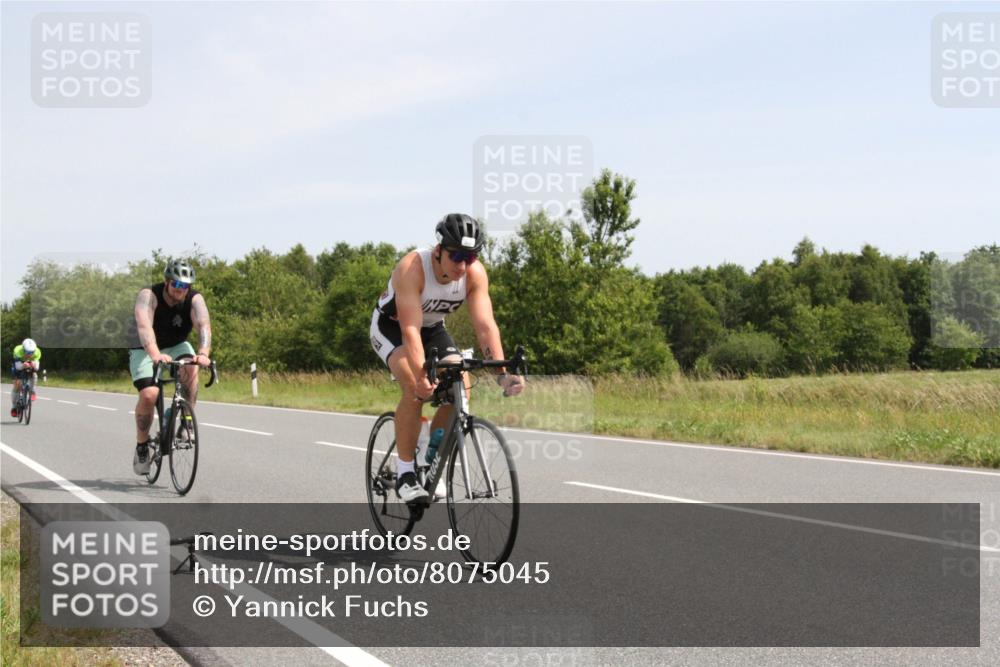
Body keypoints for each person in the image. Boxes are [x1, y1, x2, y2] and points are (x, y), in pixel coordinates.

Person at [370, 213, 525, 502]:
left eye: (471, 257)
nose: (463, 265)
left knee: (460, 390)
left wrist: (502, 373)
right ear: (439, 250)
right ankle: (405, 473)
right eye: (456, 256)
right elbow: (411, 330)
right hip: (393, 328)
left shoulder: (474, 275)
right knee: (415, 389)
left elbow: (485, 326)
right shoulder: (412, 268)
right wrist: (422, 377)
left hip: (433, 329)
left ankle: (429, 459)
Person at [129, 259, 212, 474]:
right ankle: (141, 446)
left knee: (191, 366)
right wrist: (155, 354)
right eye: (176, 284)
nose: (180, 290)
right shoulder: (149, 296)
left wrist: (203, 353)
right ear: (167, 282)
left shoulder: (195, 299)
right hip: (145, 348)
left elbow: (203, 325)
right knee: (149, 394)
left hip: (176, 345)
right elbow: (144, 326)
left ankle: (185, 421)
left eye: (184, 286)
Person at [10, 338, 41, 417]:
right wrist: (23, 365)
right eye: (27, 352)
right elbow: (17, 367)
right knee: (17, 385)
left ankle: (32, 391)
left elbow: (37, 367)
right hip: (19, 364)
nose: (29, 354)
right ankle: (14, 407)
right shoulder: (17, 351)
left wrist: (34, 366)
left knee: (34, 375)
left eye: (31, 352)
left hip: (30, 363)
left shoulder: (37, 352)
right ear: (23, 349)